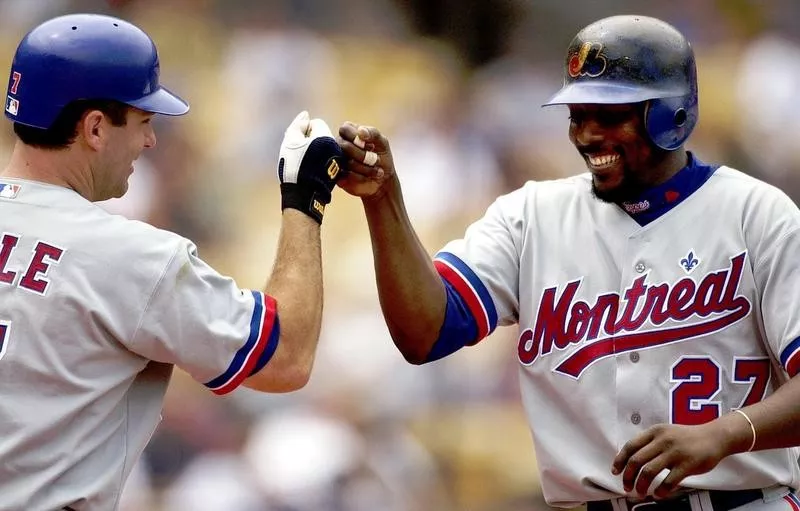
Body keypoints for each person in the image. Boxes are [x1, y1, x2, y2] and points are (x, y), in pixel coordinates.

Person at [336, 14, 800, 511]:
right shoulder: (530, 216)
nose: (587, 134)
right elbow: (424, 332)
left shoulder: (758, 214)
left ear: (671, 114)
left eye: (609, 115)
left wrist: (727, 434)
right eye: (578, 115)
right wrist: (383, 201)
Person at [0, 13, 344, 511]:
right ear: (95, 127)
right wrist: (304, 197)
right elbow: (284, 357)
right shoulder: (130, 255)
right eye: (142, 122)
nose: (150, 141)